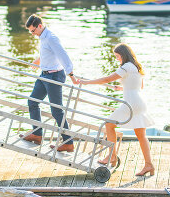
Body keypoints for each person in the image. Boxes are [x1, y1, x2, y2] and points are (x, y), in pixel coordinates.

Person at [71, 44, 155, 177]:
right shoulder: (136, 66)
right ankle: (148, 165)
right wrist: (122, 88)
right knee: (141, 135)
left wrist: (85, 82)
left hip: (131, 104)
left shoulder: (126, 67)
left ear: (123, 55)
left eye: (117, 56)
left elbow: (107, 79)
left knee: (109, 125)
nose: (117, 59)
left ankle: (112, 157)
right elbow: (140, 86)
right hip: (140, 102)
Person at [21, 14, 75, 152]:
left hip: (54, 76)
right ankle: (37, 134)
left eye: (33, 31)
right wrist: (38, 61)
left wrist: (71, 75)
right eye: (30, 32)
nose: (32, 34)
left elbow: (63, 55)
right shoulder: (42, 37)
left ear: (40, 26)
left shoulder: (51, 38)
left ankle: (68, 142)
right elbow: (48, 52)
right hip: (44, 75)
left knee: (56, 110)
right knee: (32, 102)